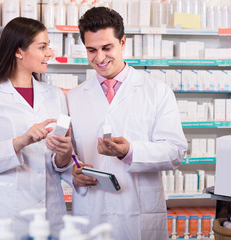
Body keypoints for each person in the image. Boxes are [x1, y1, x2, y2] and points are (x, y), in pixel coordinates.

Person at [66, 7, 188, 240]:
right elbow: (66, 157)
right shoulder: (73, 97)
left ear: (123, 42)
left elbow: (176, 151)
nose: (99, 58)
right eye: (91, 50)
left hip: (140, 211)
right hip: (93, 212)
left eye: (106, 48)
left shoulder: (156, 92)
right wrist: (72, 172)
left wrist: (130, 151)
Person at [0, 17, 73, 238]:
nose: (50, 53)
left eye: (48, 46)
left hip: (48, 212)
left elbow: (58, 164)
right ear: (18, 52)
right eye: (42, 47)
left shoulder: (54, 95)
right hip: (6, 215)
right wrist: (20, 142)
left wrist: (64, 154)